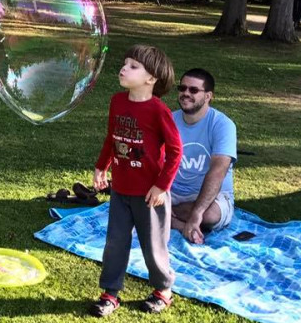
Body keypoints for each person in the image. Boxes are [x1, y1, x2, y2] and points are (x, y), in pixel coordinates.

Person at [90, 45, 183, 318]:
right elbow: (112, 138)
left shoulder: (159, 111)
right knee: (115, 243)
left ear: (151, 78)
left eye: (133, 66)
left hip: (150, 195)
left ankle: (163, 290)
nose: (123, 68)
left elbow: (176, 151)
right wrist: (101, 168)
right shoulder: (117, 101)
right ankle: (110, 293)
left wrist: (161, 186)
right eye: (124, 63)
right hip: (120, 190)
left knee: (153, 245)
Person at [170, 68, 237, 245]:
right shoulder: (169, 119)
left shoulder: (223, 125)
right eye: (182, 88)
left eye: (193, 90)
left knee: (210, 214)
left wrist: (196, 213)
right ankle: (180, 224)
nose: (186, 93)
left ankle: (168, 217)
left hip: (210, 196)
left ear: (208, 96)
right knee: (137, 200)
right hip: (173, 192)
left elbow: (218, 170)